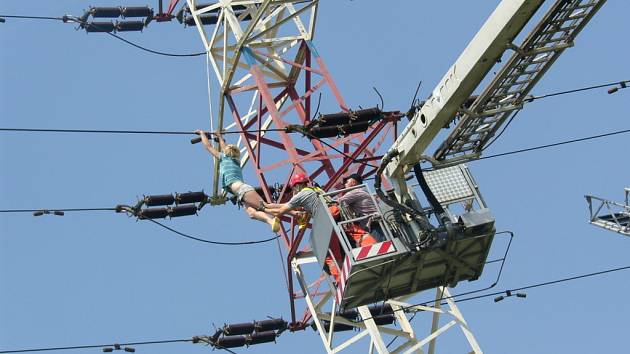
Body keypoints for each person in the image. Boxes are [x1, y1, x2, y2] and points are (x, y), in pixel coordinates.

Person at [196, 129, 280, 232]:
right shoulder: (236, 161)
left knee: (265, 207)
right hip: (240, 192)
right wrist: (220, 137)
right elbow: (224, 148)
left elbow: (208, 146)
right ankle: (271, 222)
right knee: (252, 214)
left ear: (226, 153)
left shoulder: (225, 158)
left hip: (241, 189)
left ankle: (293, 211)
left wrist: (202, 134)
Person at [337, 173, 386, 241]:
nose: (345, 184)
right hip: (379, 223)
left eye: (347, 182)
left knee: (381, 247)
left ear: (353, 182)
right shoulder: (365, 192)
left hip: (373, 225)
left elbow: (338, 202)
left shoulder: (355, 192)